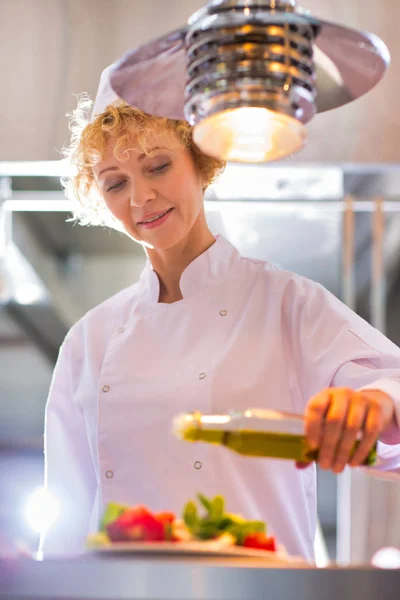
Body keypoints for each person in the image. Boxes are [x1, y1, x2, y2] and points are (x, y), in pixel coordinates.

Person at [40, 78, 400, 561]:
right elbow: (67, 520)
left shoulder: (285, 303)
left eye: (159, 167)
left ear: (200, 162)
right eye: (116, 183)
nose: (141, 198)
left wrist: (376, 405)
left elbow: (388, 394)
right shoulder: (90, 339)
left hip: (268, 592)